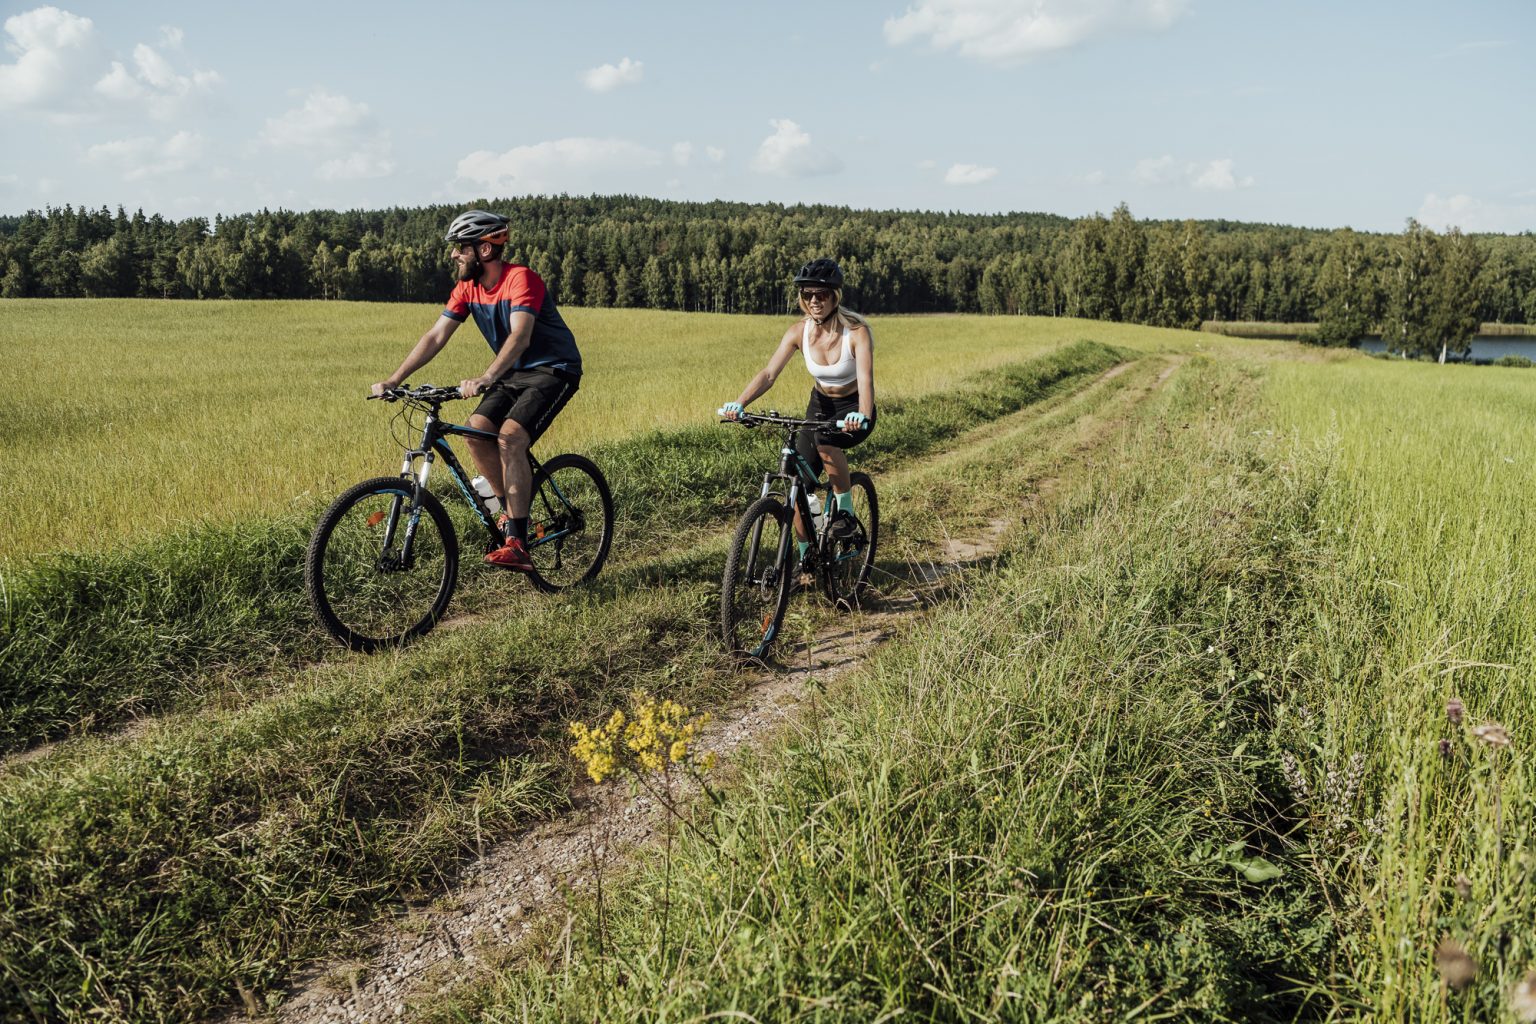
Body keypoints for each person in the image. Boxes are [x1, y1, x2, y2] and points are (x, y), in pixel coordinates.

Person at [371, 209, 582, 572]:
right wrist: (394, 379)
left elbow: (520, 336)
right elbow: (436, 335)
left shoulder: (521, 279)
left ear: (484, 250)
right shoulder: (467, 288)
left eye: (460, 248)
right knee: (477, 430)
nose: (454, 254)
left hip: (553, 369)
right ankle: (510, 517)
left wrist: (486, 376)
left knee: (511, 438)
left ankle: (517, 542)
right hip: (512, 373)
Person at [719, 257, 875, 565]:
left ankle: (844, 512)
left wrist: (862, 413)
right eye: (807, 295)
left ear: (835, 296)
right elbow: (768, 373)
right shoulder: (798, 332)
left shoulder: (856, 332)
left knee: (827, 443)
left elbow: (867, 380)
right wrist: (740, 403)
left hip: (853, 408)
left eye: (821, 294)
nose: (814, 301)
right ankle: (807, 561)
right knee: (797, 483)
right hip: (819, 407)